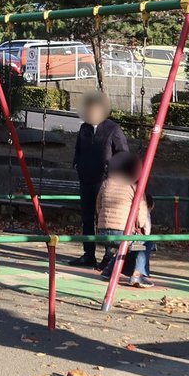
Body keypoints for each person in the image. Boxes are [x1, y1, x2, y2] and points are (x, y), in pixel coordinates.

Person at [71, 91, 129, 268]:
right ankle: (89, 254)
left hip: (104, 181)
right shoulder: (84, 129)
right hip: (86, 179)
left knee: (105, 219)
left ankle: (108, 254)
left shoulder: (113, 129)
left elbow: (123, 154)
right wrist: (77, 164)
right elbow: (78, 150)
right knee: (87, 218)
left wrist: (114, 172)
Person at [97, 152, 152, 287]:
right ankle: (137, 275)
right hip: (122, 233)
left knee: (128, 246)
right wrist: (140, 227)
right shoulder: (134, 187)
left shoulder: (106, 184)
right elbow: (141, 214)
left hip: (102, 233)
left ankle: (108, 271)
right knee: (144, 242)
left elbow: (98, 206)